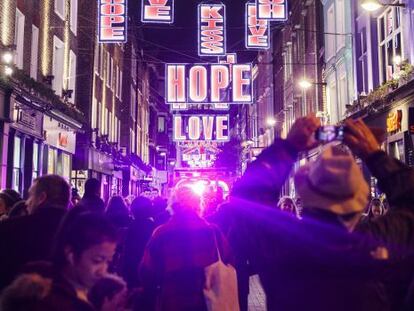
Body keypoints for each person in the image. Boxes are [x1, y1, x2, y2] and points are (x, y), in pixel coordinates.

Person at [230, 116, 414, 310]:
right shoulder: (381, 241)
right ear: (361, 200)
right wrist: (374, 154)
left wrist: (288, 147)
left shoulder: (282, 242)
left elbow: (246, 196)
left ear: (305, 193)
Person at [140, 186, 233, 311]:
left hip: (171, 301)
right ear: (199, 205)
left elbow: (146, 271)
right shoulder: (213, 233)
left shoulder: (161, 233)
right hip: (207, 302)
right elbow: (229, 262)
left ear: (173, 205)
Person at [34, 212, 118, 311]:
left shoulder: (98, 293)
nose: (103, 271)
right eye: (97, 261)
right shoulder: (43, 300)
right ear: (71, 254)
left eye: (108, 262)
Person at [0, 175, 70, 290]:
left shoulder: (12, 228)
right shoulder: (78, 231)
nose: (27, 202)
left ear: (42, 198)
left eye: (30, 196)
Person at [121, 196, 155, 288]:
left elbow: (126, 249)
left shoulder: (130, 226)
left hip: (132, 265)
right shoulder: (152, 226)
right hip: (149, 267)